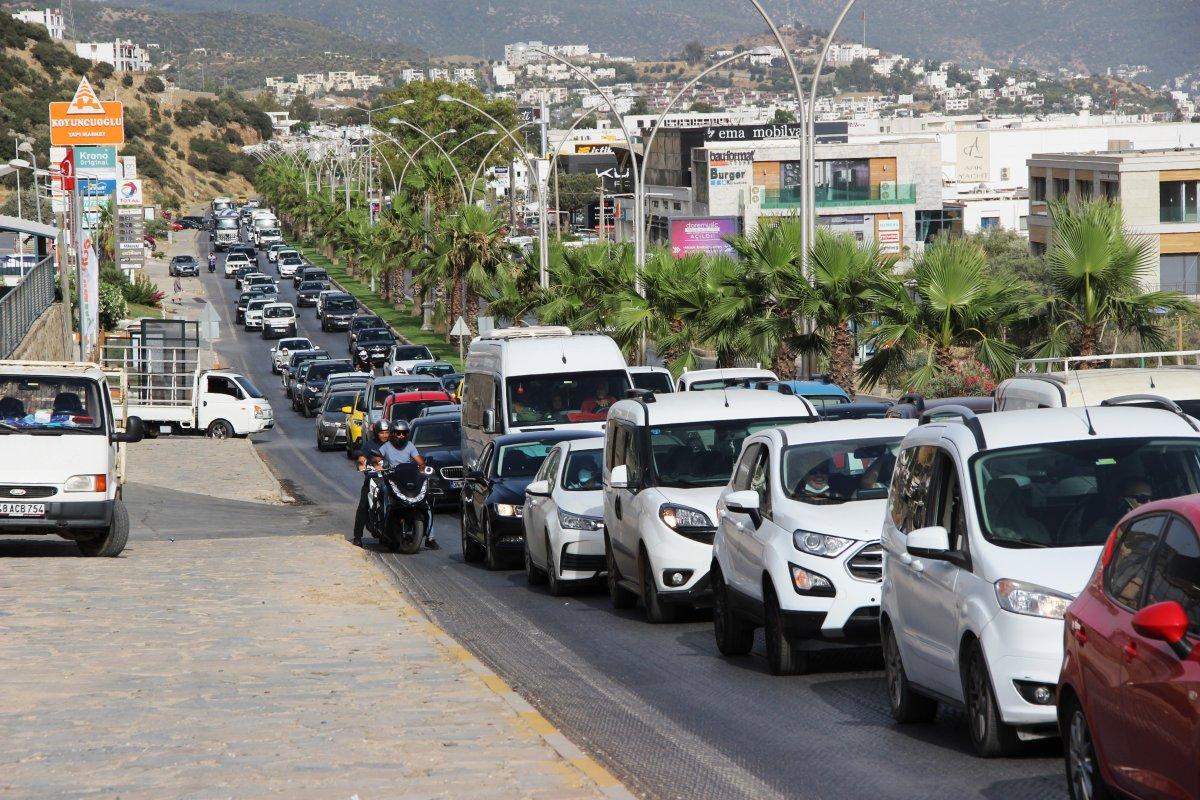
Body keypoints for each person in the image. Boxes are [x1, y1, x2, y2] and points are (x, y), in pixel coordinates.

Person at [378, 420, 438, 550]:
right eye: (398, 433)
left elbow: (419, 461)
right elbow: (377, 459)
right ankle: (384, 527)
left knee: (425, 503)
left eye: (404, 433)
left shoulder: (410, 446)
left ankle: (430, 537)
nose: (401, 436)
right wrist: (377, 465)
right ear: (392, 433)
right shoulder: (386, 446)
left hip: (407, 479)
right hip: (392, 479)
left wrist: (423, 467)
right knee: (383, 491)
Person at [352, 419, 391, 546]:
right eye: (382, 433)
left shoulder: (393, 445)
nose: (385, 435)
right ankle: (357, 536)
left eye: (387, 432)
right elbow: (361, 458)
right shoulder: (370, 445)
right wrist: (361, 464)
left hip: (390, 480)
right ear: (376, 433)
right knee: (363, 506)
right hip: (373, 479)